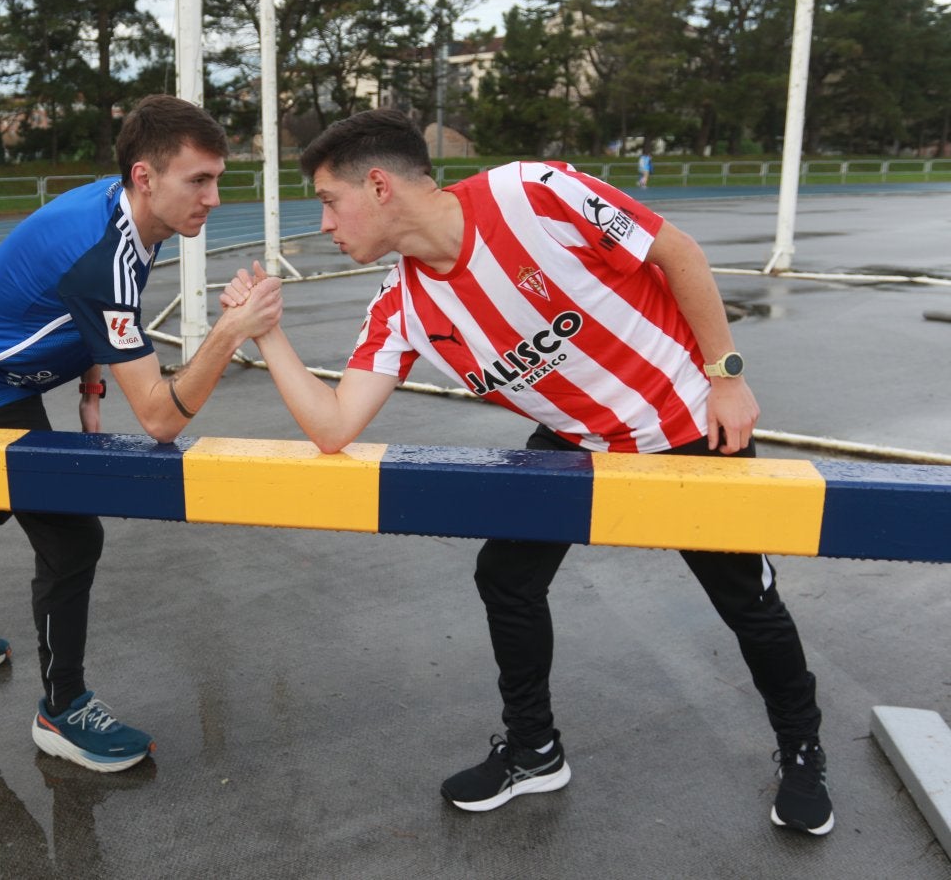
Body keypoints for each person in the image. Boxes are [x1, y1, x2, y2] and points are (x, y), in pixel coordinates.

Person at [222, 108, 833, 835]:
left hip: (687, 425)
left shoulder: (531, 193)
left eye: (328, 200)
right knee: (506, 575)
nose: (324, 224)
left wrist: (726, 375)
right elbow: (332, 426)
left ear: (378, 184)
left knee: (745, 597)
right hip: (577, 441)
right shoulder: (404, 302)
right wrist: (267, 336)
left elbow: (678, 253)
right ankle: (535, 749)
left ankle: (803, 750)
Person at [0, 94, 283, 774]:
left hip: (5, 369)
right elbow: (163, 420)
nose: (215, 197)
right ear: (145, 176)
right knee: (72, 534)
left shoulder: (130, 215)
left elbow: (102, 315)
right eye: (199, 180)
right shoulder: (104, 251)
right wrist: (231, 330)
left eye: (217, 178)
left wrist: (90, 386)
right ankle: (63, 708)